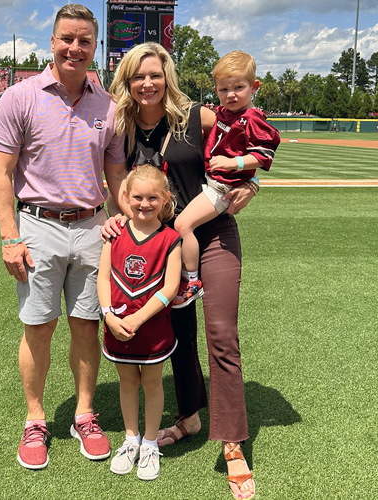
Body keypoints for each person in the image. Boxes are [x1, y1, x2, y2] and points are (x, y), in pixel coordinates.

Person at [105, 42, 260, 500]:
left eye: (154, 74)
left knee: (221, 334)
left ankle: (232, 443)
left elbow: (248, 136)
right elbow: (117, 183)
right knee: (177, 333)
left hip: (212, 235)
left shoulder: (198, 116)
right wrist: (120, 216)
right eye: (138, 76)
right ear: (128, 82)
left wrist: (252, 180)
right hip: (161, 244)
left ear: (166, 76)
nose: (147, 83)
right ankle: (189, 416)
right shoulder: (125, 128)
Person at [0, 4, 127, 470]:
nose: (74, 47)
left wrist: (127, 229)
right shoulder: (20, 97)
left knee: (87, 325)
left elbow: (117, 175)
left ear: (95, 47)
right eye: (66, 38)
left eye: (84, 40)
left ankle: (85, 414)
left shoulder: (107, 105)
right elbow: (0, 173)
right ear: (52, 42)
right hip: (38, 226)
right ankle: (35, 418)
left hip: (92, 227)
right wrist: (10, 236)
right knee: (39, 326)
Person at [172, 51, 280, 307]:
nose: (231, 94)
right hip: (210, 183)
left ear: (254, 87)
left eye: (238, 87)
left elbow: (265, 154)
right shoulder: (224, 112)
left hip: (221, 188)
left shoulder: (252, 118)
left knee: (182, 225)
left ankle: (192, 281)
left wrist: (237, 164)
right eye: (223, 89)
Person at [97, 164, 181, 480]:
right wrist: (108, 314)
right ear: (125, 197)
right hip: (117, 325)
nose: (144, 204)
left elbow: (170, 288)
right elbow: (103, 277)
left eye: (152, 198)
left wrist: (137, 317)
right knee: (128, 382)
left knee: (152, 383)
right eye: (137, 197)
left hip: (152, 328)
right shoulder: (114, 232)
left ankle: (149, 443)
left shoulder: (171, 238)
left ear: (165, 199)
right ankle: (130, 440)